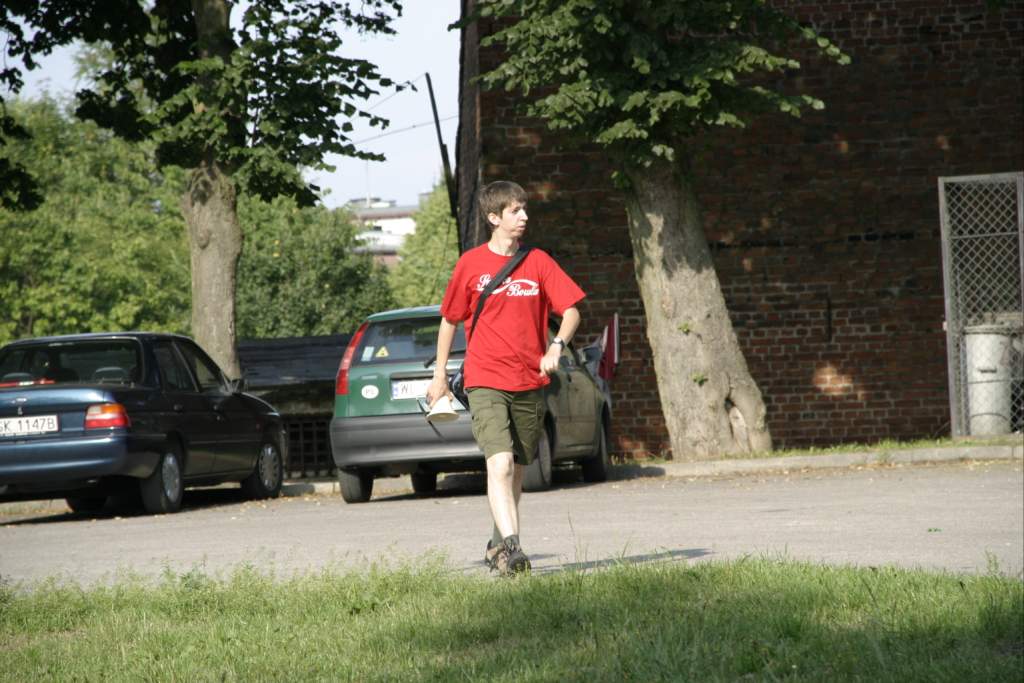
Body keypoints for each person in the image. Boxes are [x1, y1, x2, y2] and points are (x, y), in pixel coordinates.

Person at [426, 180, 585, 576]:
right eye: (515, 211)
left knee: (515, 468)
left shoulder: (538, 262)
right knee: (498, 464)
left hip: (529, 380)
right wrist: (439, 375)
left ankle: (497, 545)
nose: (524, 216)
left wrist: (556, 347)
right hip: (485, 378)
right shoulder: (470, 264)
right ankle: (514, 549)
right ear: (494, 217)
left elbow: (571, 311)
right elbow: (449, 320)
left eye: (524, 209)